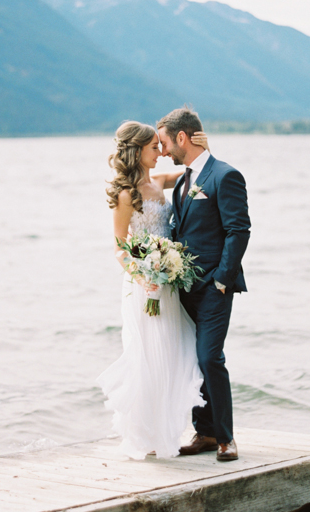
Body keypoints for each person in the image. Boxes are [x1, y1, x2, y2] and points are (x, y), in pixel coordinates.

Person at [96, 121, 211, 459]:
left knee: (177, 354)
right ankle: (145, 436)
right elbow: (119, 247)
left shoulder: (159, 182)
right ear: (136, 151)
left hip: (169, 282)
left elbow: (197, 172)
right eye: (153, 148)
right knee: (148, 358)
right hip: (143, 286)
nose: (161, 153)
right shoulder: (125, 195)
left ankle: (169, 430)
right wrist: (141, 272)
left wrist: (205, 148)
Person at [157, 107, 250, 462]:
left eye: (165, 142)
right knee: (191, 359)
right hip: (182, 289)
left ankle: (226, 438)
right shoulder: (183, 180)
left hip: (214, 287)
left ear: (182, 137)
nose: (162, 150)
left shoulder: (225, 176)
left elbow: (238, 230)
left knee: (210, 357)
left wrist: (223, 280)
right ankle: (205, 432)